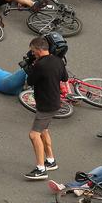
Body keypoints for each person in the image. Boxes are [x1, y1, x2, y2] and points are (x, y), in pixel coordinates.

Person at [24, 36, 68, 180]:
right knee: (43, 131)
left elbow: (30, 81)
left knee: (34, 134)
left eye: (33, 51)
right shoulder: (58, 60)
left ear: (38, 49)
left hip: (45, 105)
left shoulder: (40, 65)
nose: (32, 53)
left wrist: (30, 68)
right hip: (54, 101)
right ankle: (50, 161)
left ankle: (40, 169)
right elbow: (65, 78)